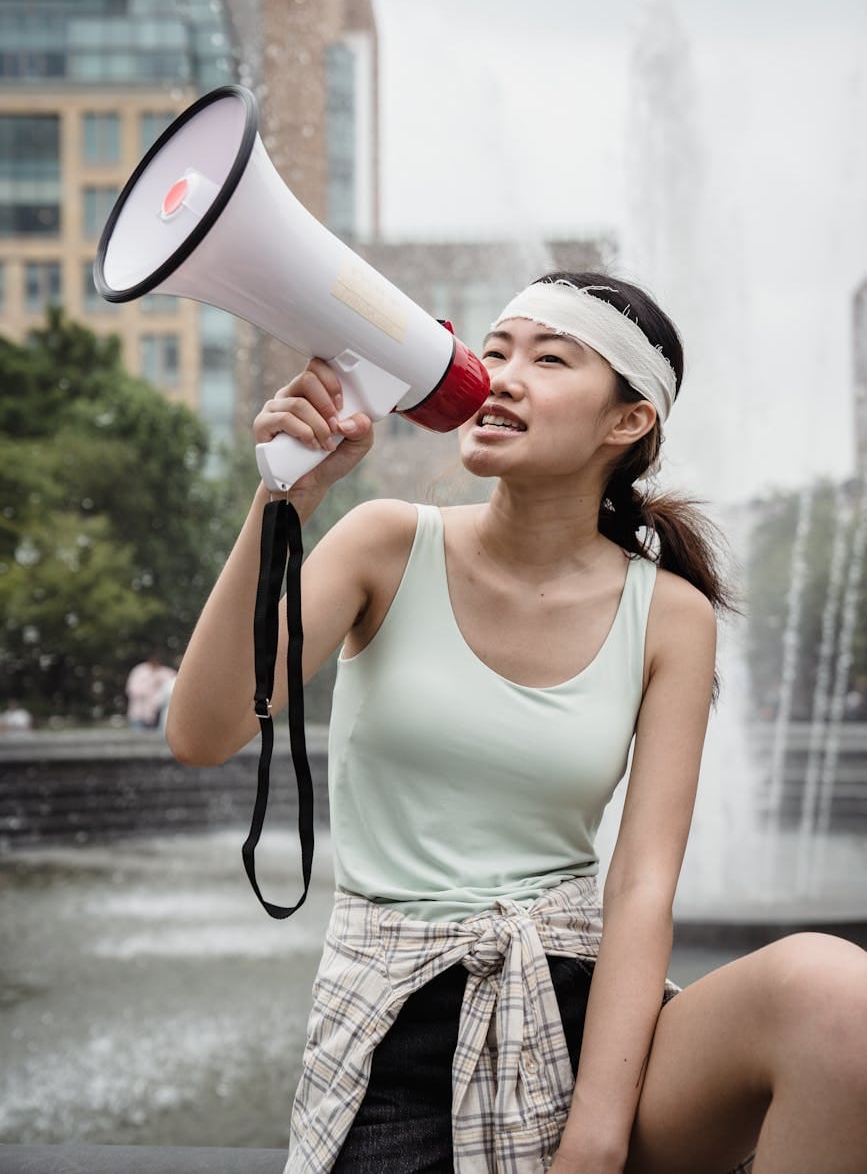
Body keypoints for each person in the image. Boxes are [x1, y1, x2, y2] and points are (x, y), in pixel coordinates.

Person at [166, 272, 867, 1174]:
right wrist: (286, 499)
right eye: (492, 350)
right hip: (398, 1027)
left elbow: (641, 888)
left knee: (835, 994)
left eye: (548, 357)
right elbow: (204, 730)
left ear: (628, 421)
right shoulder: (385, 542)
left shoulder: (670, 615)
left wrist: (595, 1139)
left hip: (587, 1015)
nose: (499, 375)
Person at [125, 650, 176, 730]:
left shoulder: (167, 673)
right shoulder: (139, 671)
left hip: (158, 717)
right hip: (139, 715)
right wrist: (152, 686)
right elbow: (132, 690)